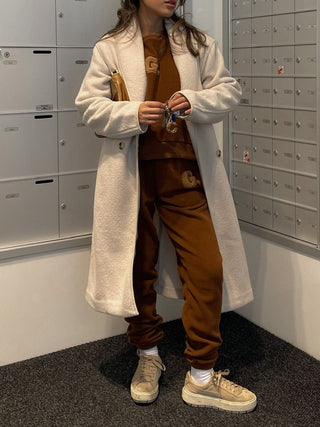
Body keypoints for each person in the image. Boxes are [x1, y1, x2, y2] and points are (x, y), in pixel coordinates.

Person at [76, 0, 257, 412]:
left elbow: (229, 89)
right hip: (131, 175)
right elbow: (89, 106)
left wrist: (196, 101)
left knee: (208, 266)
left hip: (185, 172)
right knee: (137, 267)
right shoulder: (110, 46)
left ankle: (202, 376)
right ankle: (148, 356)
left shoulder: (197, 43)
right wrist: (132, 112)